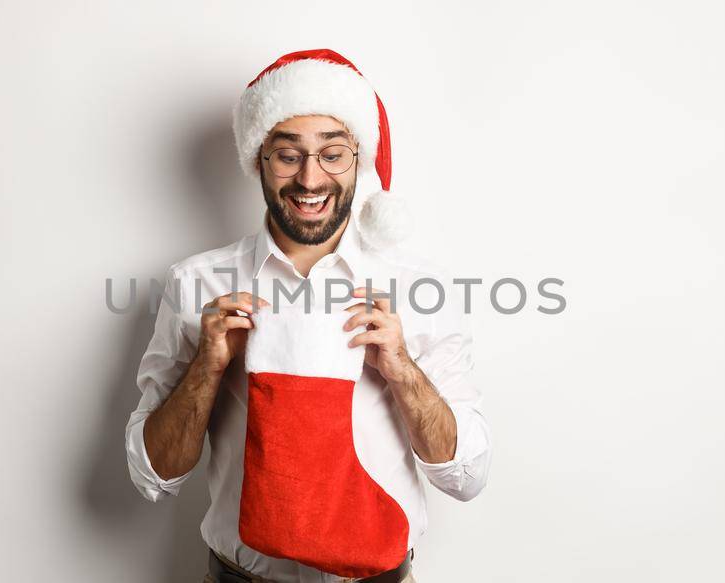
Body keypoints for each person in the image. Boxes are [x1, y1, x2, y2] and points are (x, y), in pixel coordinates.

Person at [124, 49, 492, 583]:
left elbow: (468, 477)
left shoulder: (418, 287)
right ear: (259, 162)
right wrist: (206, 366)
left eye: (332, 154)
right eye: (287, 155)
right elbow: (152, 477)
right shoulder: (197, 283)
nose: (310, 179)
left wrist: (401, 367)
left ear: (358, 161)